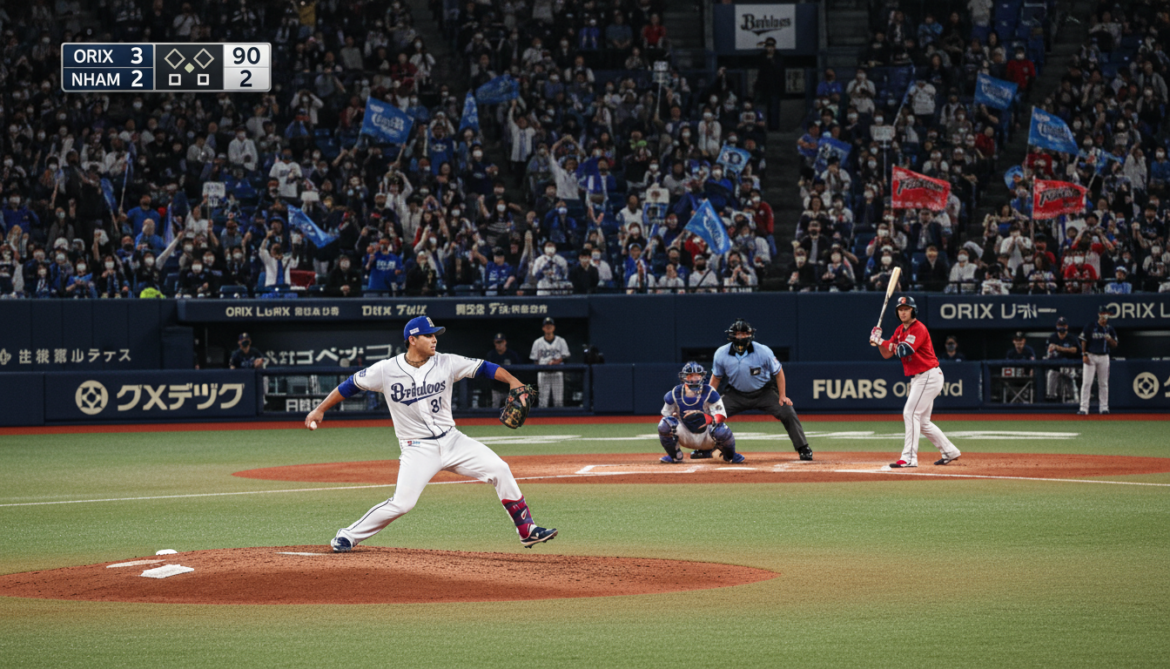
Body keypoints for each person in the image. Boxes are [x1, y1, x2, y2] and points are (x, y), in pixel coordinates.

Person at [304, 316, 558, 551]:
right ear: (412, 340)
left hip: (453, 440)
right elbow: (349, 386)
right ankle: (348, 535)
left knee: (500, 469)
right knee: (403, 503)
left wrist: (513, 381)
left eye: (435, 334)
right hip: (417, 448)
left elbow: (485, 368)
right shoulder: (385, 370)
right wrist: (319, 409)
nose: (435, 339)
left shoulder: (447, 362)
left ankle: (527, 529)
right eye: (428, 335)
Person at [870, 296, 962, 467]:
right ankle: (950, 451)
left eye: (906, 308)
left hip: (928, 375)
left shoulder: (918, 328)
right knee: (923, 422)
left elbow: (904, 350)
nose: (903, 312)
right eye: (900, 309)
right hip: (921, 377)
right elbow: (887, 353)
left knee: (910, 413)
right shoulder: (899, 330)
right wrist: (878, 340)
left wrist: (880, 341)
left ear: (913, 310)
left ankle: (909, 458)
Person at [709, 319, 813, 461]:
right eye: (738, 334)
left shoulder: (763, 351)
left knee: (787, 411)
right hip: (735, 394)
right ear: (732, 335)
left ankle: (803, 448)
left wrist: (782, 395)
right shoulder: (721, 353)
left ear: (750, 335)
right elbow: (716, 378)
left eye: (744, 334)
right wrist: (709, 400)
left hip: (764, 392)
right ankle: (706, 448)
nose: (740, 337)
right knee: (711, 415)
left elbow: (779, 372)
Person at [657, 362, 743, 464]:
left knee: (721, 429)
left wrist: (705, 418)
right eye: (690, 376)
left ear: (702, 376)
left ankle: (730, 456)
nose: (694, 379)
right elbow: (666, 416)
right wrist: (676, 416)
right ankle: (675, 456)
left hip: (707, 435)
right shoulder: (674, 394)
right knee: (664, 424)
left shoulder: (710, 392)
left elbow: (720, 416)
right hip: (685, 434)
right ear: (684, 378)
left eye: (697, 376)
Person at [1079, 305, 1119, 415]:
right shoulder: (1091, 326)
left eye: (1106, 314)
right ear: (1099, 314)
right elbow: (1083, 340)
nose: (1104, 317)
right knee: (1087, 382)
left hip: (1104, 356)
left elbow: (1115, 344)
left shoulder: (1109, 329)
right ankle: (1083, 408)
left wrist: (1109, 339)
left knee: (1103, 383)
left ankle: (1104, 408)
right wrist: (1084, 354)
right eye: (1102, 314)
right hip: (1091, 355)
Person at [530, 317, 571, 407]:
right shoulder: (537, 342)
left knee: (558, 401)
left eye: (550, 325)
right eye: (546, 325)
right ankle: (541, 421)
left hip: (557, 373)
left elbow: (565, 356)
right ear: (543, 328)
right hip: (543, 374)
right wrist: (543, 367)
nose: (548, 327)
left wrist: (555, 362)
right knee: (543, 401)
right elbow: (535, 360)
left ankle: (560, 421)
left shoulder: (561, 341)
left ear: (554, 327)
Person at [1045, 317, 1080, 402]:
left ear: (1067, 326)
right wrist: (1050, 350)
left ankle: (1073, 398)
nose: (1061, 327)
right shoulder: (1052, 338)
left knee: (1071, 379)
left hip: (1069, 365)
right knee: (1050, 374)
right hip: (1056, 366)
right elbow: (1047, 353)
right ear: (1057, 326)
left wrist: (1060, 348)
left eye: (1063, 325)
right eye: (1060, 325)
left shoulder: (1071, 338)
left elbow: (1075, 350)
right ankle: (1051, 397)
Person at [486, 333, 523, 407]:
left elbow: (519, 370)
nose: (499, 344)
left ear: (505, 342)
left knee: (512, 410)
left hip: (509, 388)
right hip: (496, 388)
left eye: (501, 342)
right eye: (497, 342)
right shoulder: (491, 355)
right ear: (494, 343)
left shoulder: (512, 355)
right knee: (494, 409)